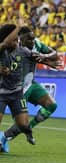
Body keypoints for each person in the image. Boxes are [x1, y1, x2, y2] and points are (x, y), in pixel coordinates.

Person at [2, 26, 62, 152]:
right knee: (21, 121)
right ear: (20, 39)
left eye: (33, 39)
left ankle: (11, 134)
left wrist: (45, 57)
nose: (32, 41)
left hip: (29, 84)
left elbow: (54, 54)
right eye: (29, 39)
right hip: (14, 87)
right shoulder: (11, 47)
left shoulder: (36, 44)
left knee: (51, 106)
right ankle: (4, 137)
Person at [0, 24, 35, 152]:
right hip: (1, 93)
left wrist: (49, 60)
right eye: (14, 39)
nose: (17, 42)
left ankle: (28, 132)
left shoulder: (20, 50)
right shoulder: (2, 48)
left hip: (16, 93)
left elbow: (34, 56)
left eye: (17, 40)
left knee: (23, 124)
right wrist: (19, 26)